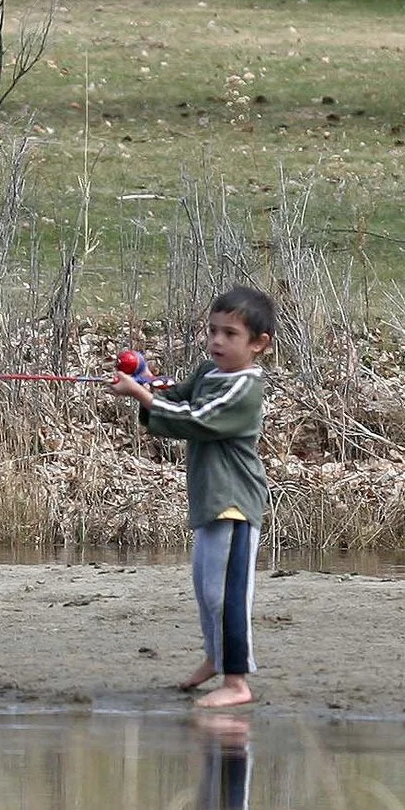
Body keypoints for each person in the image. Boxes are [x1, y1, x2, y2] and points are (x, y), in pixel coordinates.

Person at [107, 286, 276, 709]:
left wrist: (141, 395)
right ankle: (215, 659)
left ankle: (237, 682)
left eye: (230, 334)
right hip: (209, 500)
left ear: (259, 344)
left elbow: (197, 419)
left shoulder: (245, 388)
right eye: (213, 331)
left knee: (227, 595)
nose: (217, 341)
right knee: (205, 590)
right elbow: (175, 399)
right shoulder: (208, 373)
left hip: (235, 502)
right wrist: (146, 383)